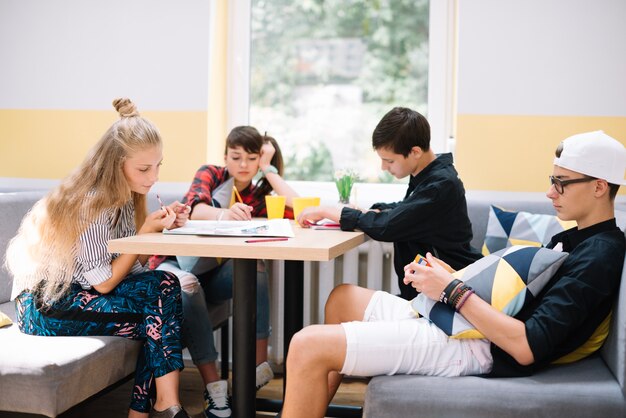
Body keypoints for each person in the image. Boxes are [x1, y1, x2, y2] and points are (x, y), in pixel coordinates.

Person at [280, 130, 626, 418]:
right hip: (467, 324)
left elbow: (526, 346)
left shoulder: (600, 255)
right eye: (553, 181)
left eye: (561, 183)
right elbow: (521, 297)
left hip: (480, 348)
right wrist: (453, 277)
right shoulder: (576, 237)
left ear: (599, 187)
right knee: (342, 298)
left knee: (307, 344)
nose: (550, 192)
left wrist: (453, 290)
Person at [6, 98, 193, 418]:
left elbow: (132, 271)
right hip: (45, 303)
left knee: (163, 292)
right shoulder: (90, 202)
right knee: (162, 300)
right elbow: (105, 283)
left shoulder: (127, 197)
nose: (154, 177)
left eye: (159, 165)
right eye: (144, 168)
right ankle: (158, 408)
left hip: (81, 292)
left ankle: (162, 407)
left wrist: (154, 231)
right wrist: (146, 233)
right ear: (116, 164)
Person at [148, 126, 298, 418]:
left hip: (213, 275)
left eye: (252, 159)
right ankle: (214, 387)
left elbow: (296, 209)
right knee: (187, 284)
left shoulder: (255, 196)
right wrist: (224, 215)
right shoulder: (212, 174)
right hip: (174, 263)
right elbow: (194, 206)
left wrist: (269, 169)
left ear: (259, 162)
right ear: (225, 157)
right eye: (236, 157)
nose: (243, 165)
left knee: (255, 264)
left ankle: (258, 368)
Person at [297, 106, 482, 299]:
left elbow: (388, 226)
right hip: (428, 295)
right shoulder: (429, 178)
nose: (384, 167)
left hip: (450, 294)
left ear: (415, 152)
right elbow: (407, 209)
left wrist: (330, 211)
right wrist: (374, 210)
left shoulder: (440, 186)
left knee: (340, 297)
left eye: (389, 161)